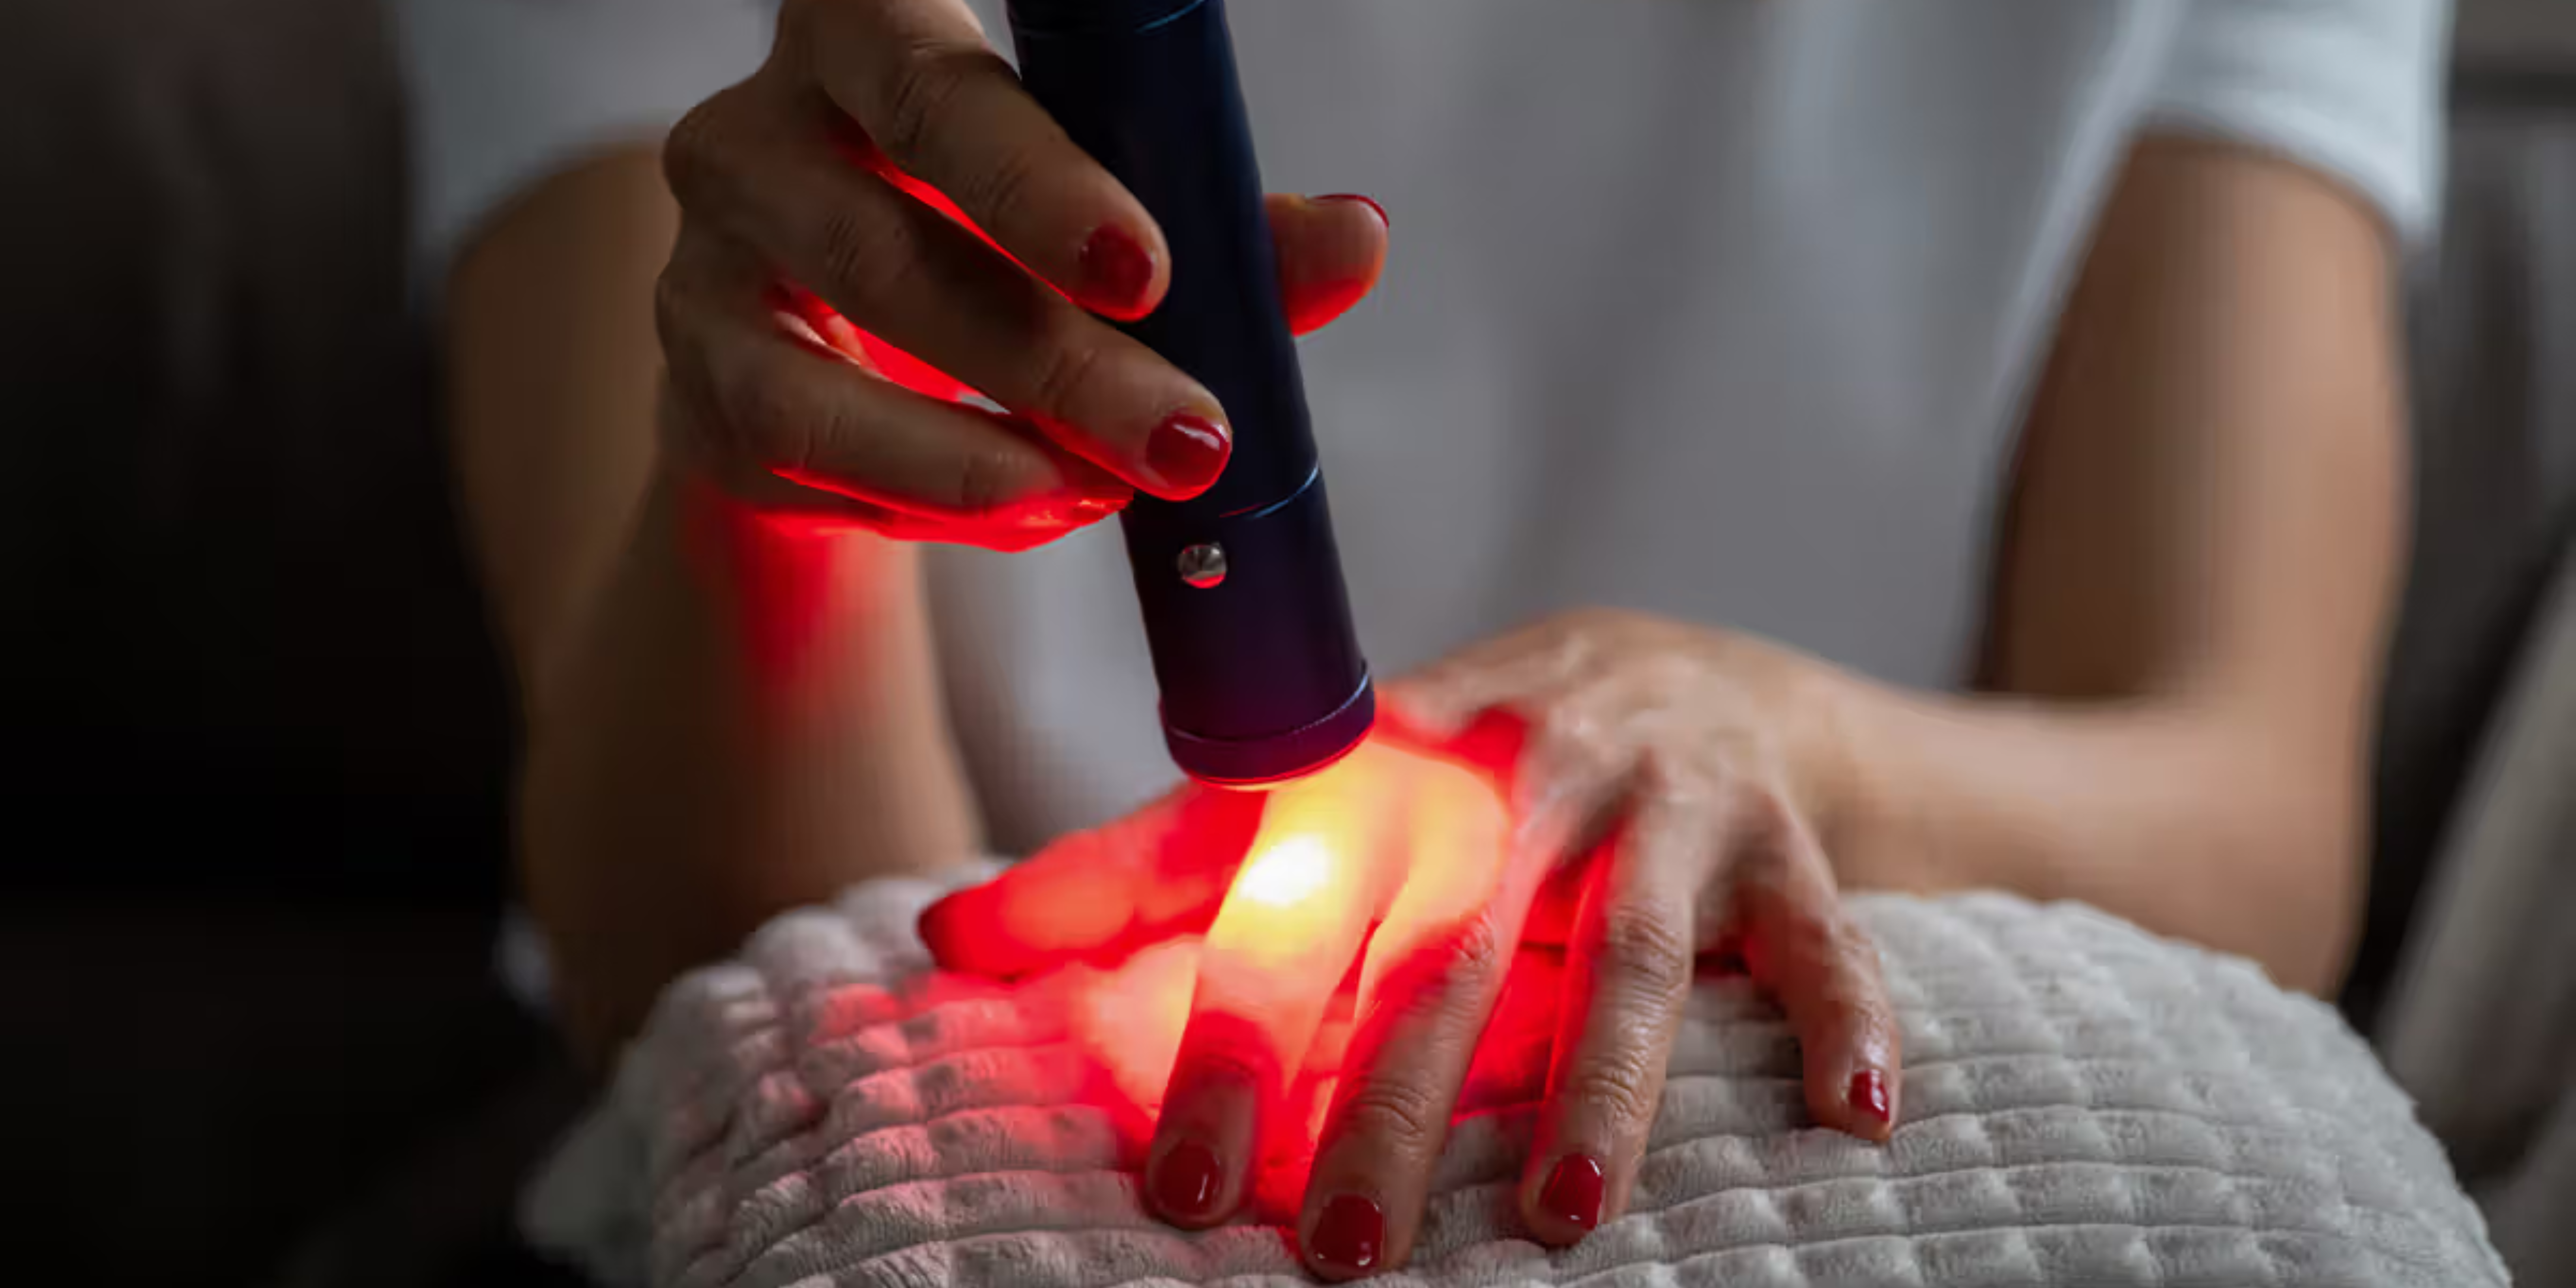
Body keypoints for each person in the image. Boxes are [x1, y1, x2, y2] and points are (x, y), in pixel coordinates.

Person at [395, 0, 2448, 1279]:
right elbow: (682, 975)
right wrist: (781, 481)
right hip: (941, 1130)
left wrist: (1784, 739)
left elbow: (2254, 815)